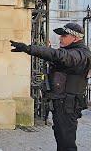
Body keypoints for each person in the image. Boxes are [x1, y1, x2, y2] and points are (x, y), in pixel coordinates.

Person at [10, 23, 91, 151]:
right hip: (61, 103)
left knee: (67, 144)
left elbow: (61, 57)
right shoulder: (73, 52)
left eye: (64, 35)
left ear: (75, 38)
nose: (60, 38)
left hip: (68, 105)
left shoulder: (81, 54)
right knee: (61, 139)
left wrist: (30, 49)